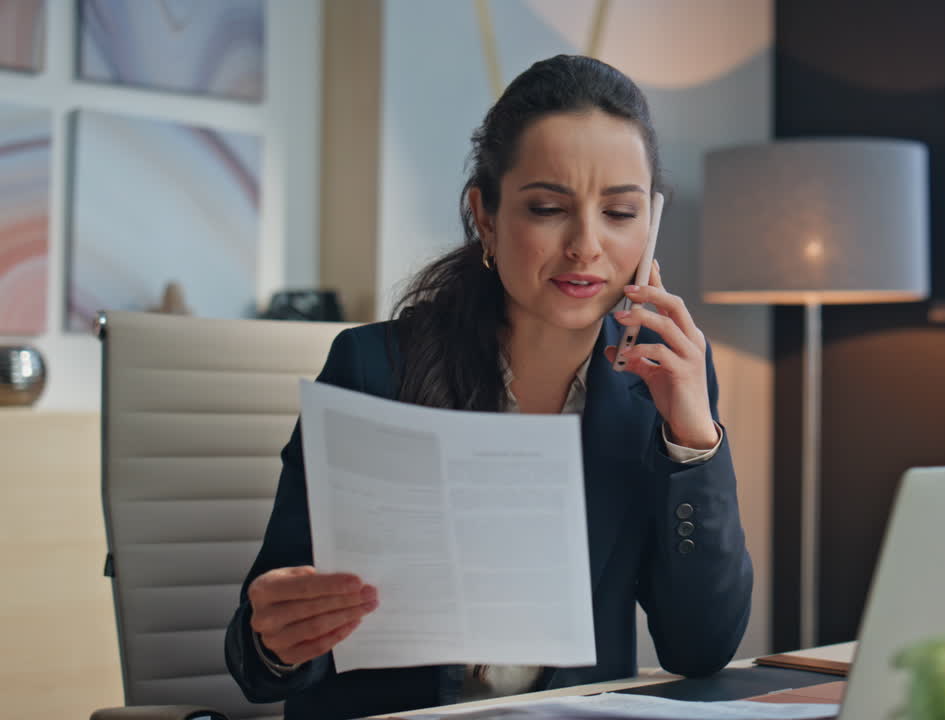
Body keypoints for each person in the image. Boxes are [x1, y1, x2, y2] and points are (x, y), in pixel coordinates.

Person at [224, 54, 752, 720]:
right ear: (487, 216)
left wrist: (694, 443)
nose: (587, 246)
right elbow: (258, 663)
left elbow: (700, 648)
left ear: (652, 222)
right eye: (548, 208)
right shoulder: (372, 370)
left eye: (620, 212)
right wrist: (278, 640)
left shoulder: (661, 387)